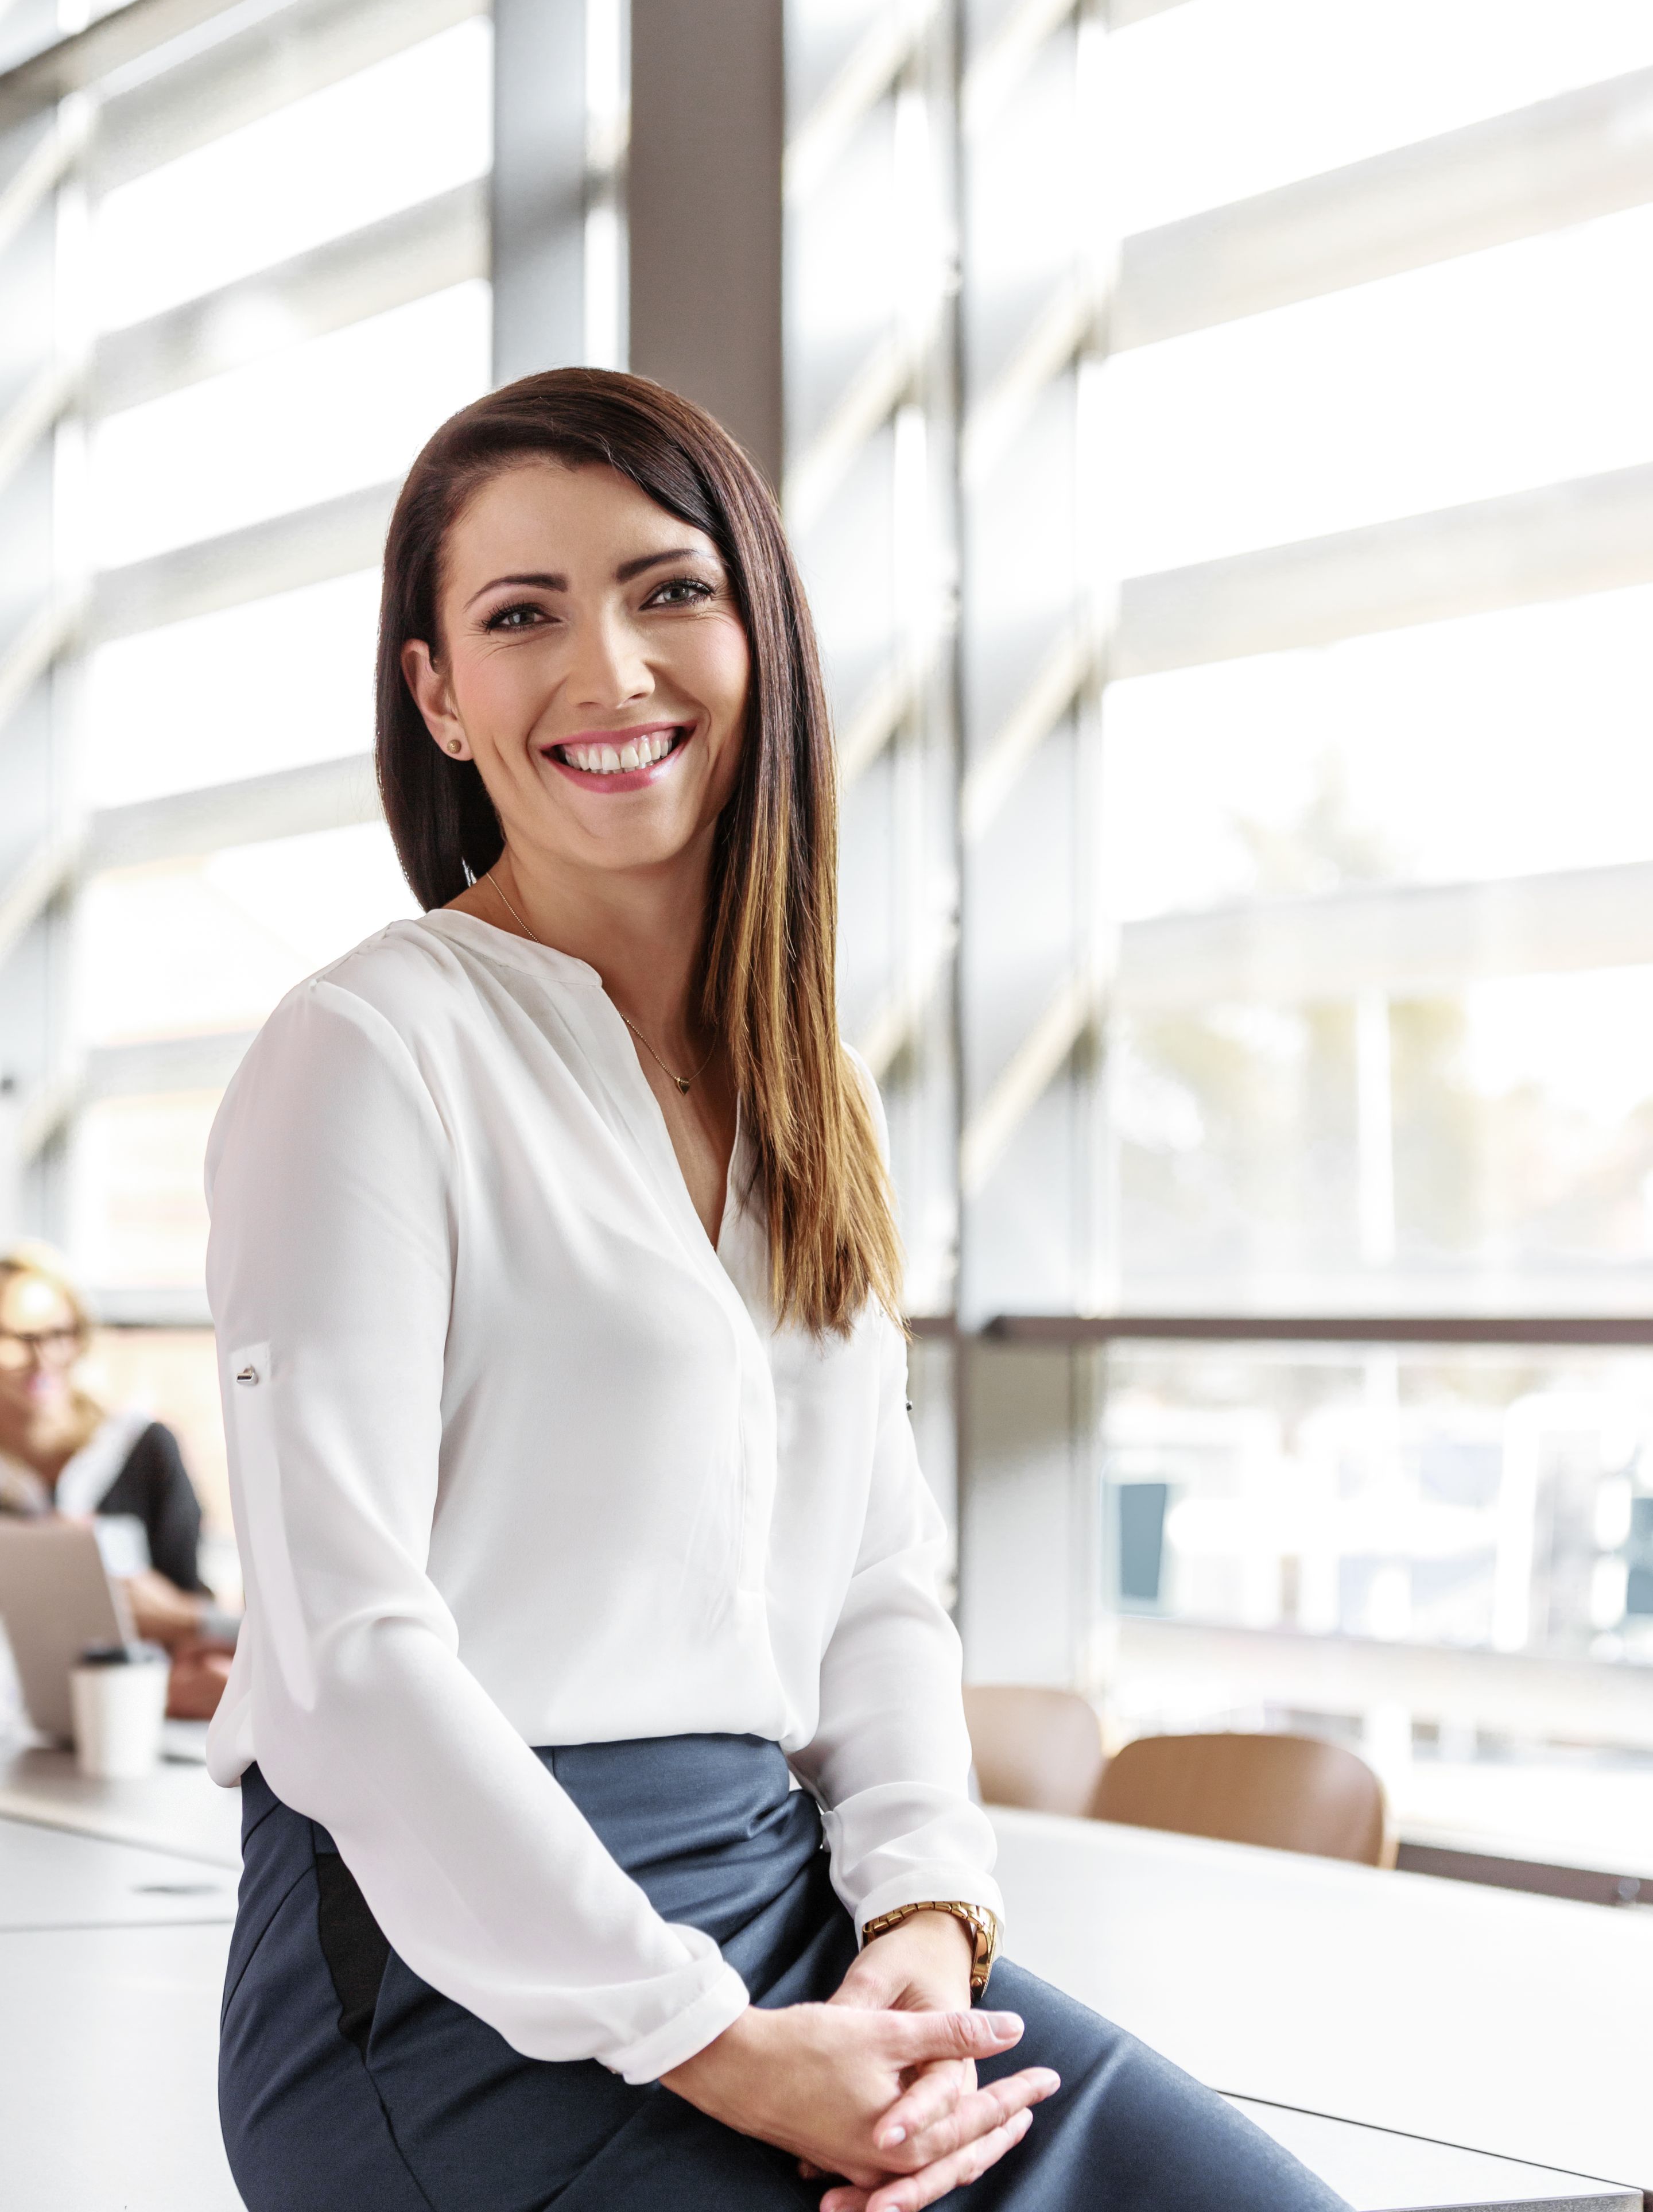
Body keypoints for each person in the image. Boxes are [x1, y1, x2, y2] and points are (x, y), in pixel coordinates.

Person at [207, 371, 1344, 2212]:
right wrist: (707, 2041)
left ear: (758, 630)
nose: (611, 670)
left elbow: (874, 1578)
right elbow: (346, 1659)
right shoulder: (367, 1049)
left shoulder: (807, 1082)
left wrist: (922, 1916)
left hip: (783, 1899)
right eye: (522, 617)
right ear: (439, 694)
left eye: (669, 592)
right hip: (448, 1968)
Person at [0, 1241, 232, 1717]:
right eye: (17, 1339)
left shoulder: (141, 1448)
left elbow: (189, 1610)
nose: (43, 1358)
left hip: (134, 1716)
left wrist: (154, 1608)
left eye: (59, 1333)